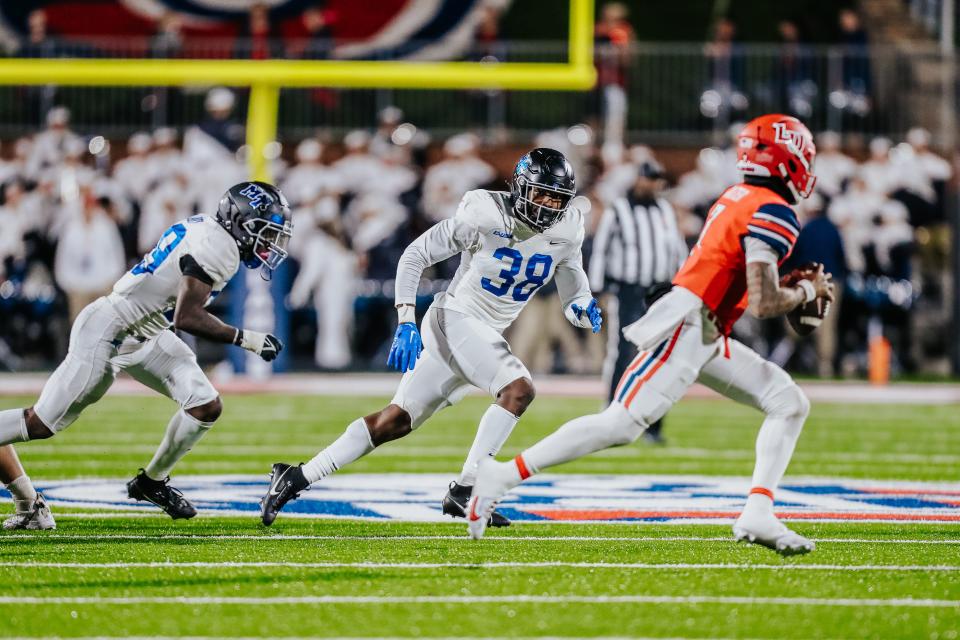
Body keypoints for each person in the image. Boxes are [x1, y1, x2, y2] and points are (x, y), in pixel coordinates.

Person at [467, 115, 835, 557]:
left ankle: (758, 511)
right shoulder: (772, 209)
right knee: (621, 424)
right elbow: (762, 301)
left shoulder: (740, 195)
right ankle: (500, 476)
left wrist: (793, 293)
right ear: (788, 158)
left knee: (787, 401)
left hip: (703, 326)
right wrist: (805, 291)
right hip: (690, 322)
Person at [260, 148, 603, 527]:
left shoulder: (567, 226)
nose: (548, 206)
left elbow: (572, 278)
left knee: (395, 421)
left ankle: (295, 476)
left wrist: (581, 307)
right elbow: (414, 255)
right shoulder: (483, 213)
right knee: (518, 388)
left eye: (556, 199)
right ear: (520, 187)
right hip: (454, 318)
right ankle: (468, 490)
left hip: (482, 332)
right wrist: (405, 319)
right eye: (541, 194)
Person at [0, 182, 292, 527]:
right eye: (264, 233)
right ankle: (30, 505)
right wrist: (248, 339)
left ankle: (151, 482)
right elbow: (187, 317)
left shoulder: (208, 229)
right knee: (41, 424)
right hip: (110, 332)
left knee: (204, 403)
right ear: (240, 222)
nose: (269, 244)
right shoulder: (220, 248)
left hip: (145, 334)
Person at [589, 159, 687, 443]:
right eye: (647, 178)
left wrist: (682, 284)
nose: (650, 183)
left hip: (660, 290)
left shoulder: (665, 209)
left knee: (660, 355)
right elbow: (601, 248)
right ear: (637, 179)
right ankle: (612, 411)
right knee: (624, 352)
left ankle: (652, 423)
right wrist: (596, 289)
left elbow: (677, 248)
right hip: (629, 290)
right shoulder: (619, 209)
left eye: (655, 178)